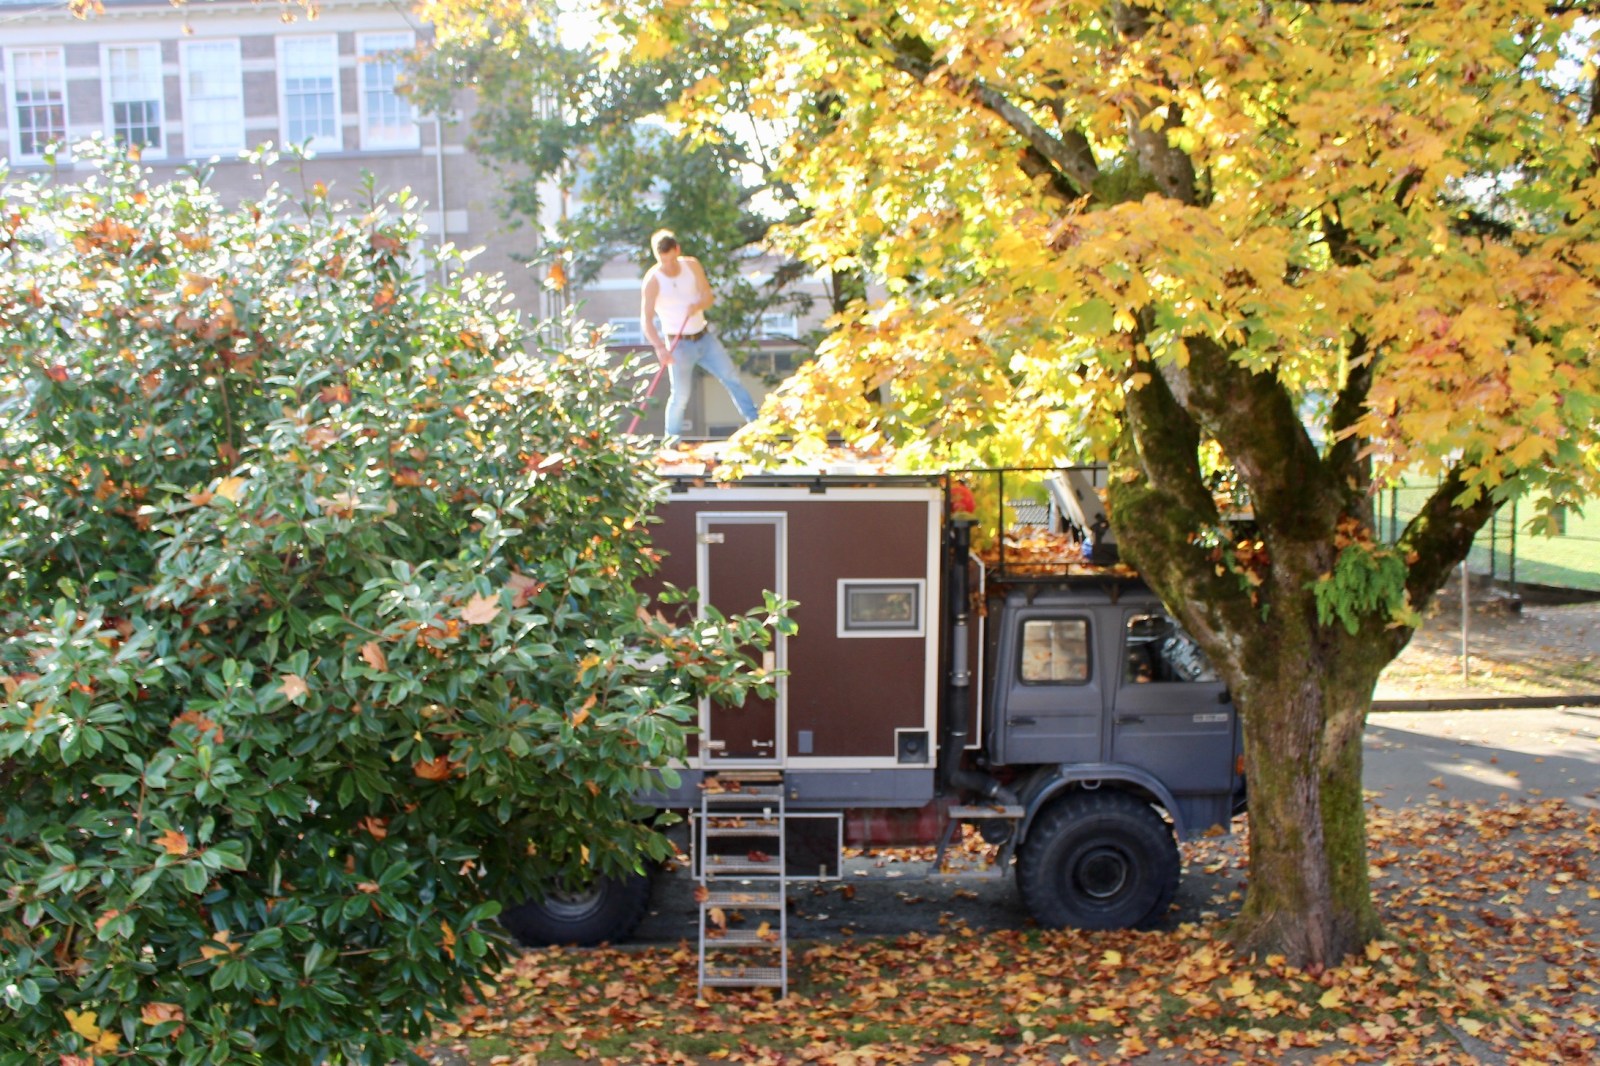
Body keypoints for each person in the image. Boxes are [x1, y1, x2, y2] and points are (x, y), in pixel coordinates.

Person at [641, 229, 760, 438]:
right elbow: (646, 319)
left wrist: (697, 306)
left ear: (678, 250)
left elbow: (708, 297)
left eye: (672, 259)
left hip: (704, 338)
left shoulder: (692, 265)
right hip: (678, 346)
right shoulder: (653, 281)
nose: (668, 265)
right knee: (680, 396)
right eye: (663, 261)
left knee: (731, 377)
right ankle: (672, 439)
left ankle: (756, 423)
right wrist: (660, 348)